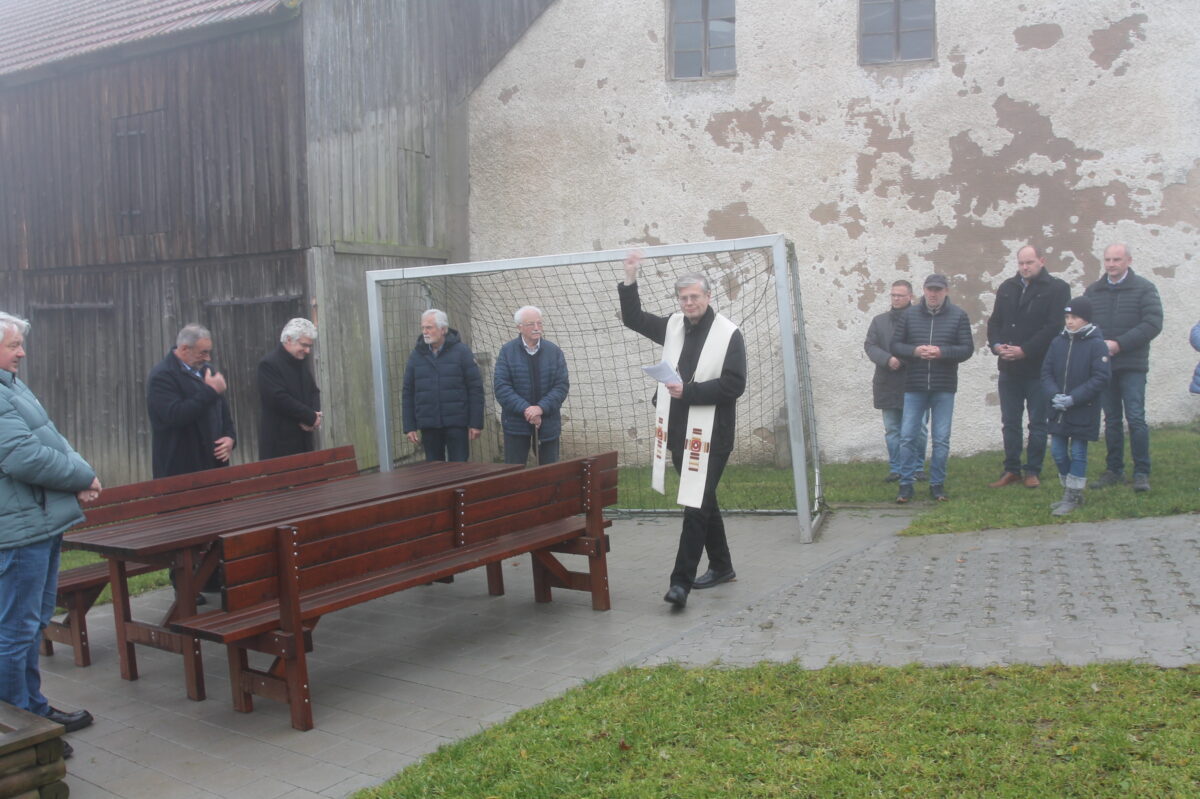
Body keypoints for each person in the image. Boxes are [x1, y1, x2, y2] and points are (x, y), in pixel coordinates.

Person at [619, 252, 747, 609]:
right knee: (704, 502)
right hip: (678, 431)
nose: (689, 303)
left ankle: (680, 584)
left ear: (707, 298)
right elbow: (633, 318)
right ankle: (721, 566)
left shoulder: (729, 335)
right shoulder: (674, 325)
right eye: (684, 298)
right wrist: (630, 277)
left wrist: (688, 392)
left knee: (694, 505)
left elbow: (735, 385)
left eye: (695, 297)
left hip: (713, 436)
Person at [0, 312, 100, 757]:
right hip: (18, 531)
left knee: (33, 622)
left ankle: (34, 710)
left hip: (39, 522)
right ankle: (18, 731)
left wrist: (84, 473)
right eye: (12, 345)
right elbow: (23, 457)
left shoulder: (11, 386)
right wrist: (80, 477)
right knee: (15, 630)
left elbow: (53, 439)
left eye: (20, 343)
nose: (22, 352)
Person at [985, 244, 1071, 489]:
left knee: (1037, 422)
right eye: (1021, 263)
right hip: (1009, 368)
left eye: (1029, 263)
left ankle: (1032, 470)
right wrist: (997, 345)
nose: (1024, 267)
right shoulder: (1007, 288)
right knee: (1010, 421)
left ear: (1041, 261)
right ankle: (1011, 469)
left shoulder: (1057, 288)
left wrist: (1025, 350)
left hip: (1038, 368)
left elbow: (1054, 326)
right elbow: (995, 322)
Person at [1083, 243, 1163, 492]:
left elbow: (1152, 323)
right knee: (1112, 419)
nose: (1111, 264)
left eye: (1116, 259)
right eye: (1107, 260)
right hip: (1105, 365)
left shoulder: (1144, 289)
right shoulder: (1093, 291)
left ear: (1128, 260)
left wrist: (1119, 344)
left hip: (1133, 364)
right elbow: (1083, 325)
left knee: (1136, 417)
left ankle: (1141, 472)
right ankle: (1114, 469)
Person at [890, 274, 974, 503]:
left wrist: (942, 353)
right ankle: (906, 484)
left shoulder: (958, 316)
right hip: (914, 385)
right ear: (923, 290)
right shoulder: (909, 315)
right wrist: (916, 351)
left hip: (944, 386)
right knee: (907, 436)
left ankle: (937, 484)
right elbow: (895, 345)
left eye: (938, 290)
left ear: (946, 291)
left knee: (941, 438)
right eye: (929, 289)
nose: (933, 294)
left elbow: (967, 349)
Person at [1041, 297, 1111, 516]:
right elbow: (1046, 372)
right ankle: (1069, 491)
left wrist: (1074, 398)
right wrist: (1054, 395)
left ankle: (1073, 495)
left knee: (1078, 452)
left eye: (1075, 317)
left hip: (1083, 408)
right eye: (1067, 317)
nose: (1069, 322)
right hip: (1058, 408)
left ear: (1086, 319)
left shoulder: (1096, 344)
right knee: (1058, 452)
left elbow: (1101, 377)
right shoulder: (1058, 341)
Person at [147, 324, 236, 479]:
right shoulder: (162, 376)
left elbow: (223, 413)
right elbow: (174, 415)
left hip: (214, 465)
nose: (208, 358)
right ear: (184, 349)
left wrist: (230, 438)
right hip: (181, 468)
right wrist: (210, 391)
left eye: (209, 352)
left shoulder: (207, 371)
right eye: (203, 353)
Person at [864, 280, 928, 483]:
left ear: (911, 296)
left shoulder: (921, 319)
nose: (896, 298)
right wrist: (887, 359)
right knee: (892, 429)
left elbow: (926, 345)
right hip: (887, 382)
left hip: (915, 381)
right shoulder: (879, 321)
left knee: (918, 428)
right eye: (893, 295)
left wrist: (902, 359)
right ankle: (897, 469)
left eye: (900, 295)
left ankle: (917, 468)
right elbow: (870, 346)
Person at [402, 309, 484, 462]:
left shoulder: (462, 352)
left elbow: (475, 389)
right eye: (423, 328)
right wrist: (410, 426)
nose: (425, 332)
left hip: (457, 423)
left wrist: (475, 423)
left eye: (429, 327)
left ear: (443, 329)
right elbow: (408, 391)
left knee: (459, 470)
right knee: (435, 472)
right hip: (429, 424)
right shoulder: (416, 355)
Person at [494, 306, 569, 465]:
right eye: (531, 324)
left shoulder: (554, 351)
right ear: (519, 327)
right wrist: (527, 410)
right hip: (516, 424)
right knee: (513, 474)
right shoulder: (507, 352)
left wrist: (540, 408)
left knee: (550, 474)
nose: (536, 328)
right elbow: (502, 387)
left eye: (539, 323)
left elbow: (561, 386)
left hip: (548, 423)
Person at [257, 318, 322, 460]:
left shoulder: (300, 362)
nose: (308, 350)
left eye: (310, 346)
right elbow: (278, 399)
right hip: (279, 445)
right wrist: (309, 416)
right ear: (288, 339)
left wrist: (314, 417)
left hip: (304, 441)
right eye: (304, 345)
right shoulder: (268, 365)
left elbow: (313, 391)